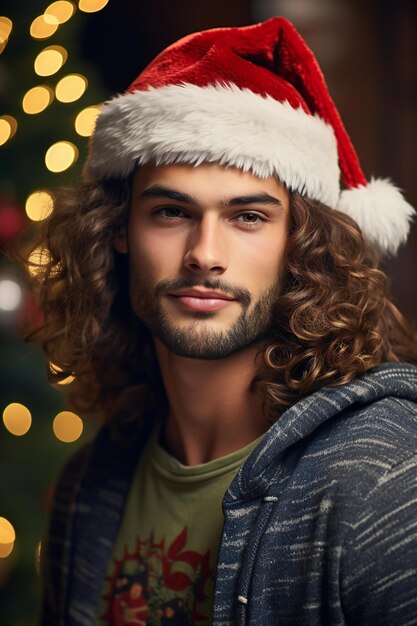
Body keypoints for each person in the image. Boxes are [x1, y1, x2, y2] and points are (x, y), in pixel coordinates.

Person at [31, 15, 417, 626]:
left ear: (300, 243)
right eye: (170, 212)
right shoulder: (91, 485)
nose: (205, 254)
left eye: (248, 218)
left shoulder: (383, 480)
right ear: (119, 231)